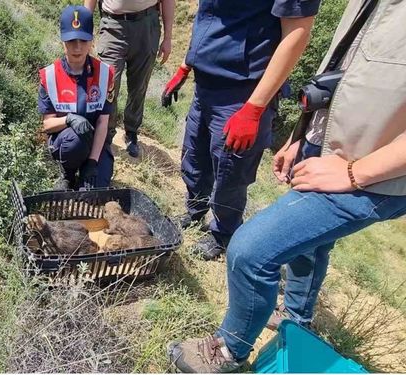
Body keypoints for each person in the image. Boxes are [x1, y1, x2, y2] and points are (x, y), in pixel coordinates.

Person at [167, 0, 406, 372]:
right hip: (327, 144)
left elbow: (297, 33)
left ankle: (229, 352)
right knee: (308, 241)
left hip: (372, 169)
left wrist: (355, 172)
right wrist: (303, 134)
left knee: (251, 250)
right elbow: (345, 72)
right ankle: (297, 316)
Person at [160, 0, 321, 261]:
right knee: (195, 155)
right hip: (206, 83)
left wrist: (254, 109)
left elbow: (297, 33)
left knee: (230, 171)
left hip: (242, 91)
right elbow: (208, 16)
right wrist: (186, 64)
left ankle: (223, 233)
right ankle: (195, 209)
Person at [38, 5, 116, 190]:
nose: (77, 47)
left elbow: (103, 122)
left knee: (94, 194)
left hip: (95, 143)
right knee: (75, 140)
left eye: (83, 40)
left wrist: (92, 162)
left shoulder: (105, 74)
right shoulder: (49, 76)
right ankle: (67, 174)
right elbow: (47, 125)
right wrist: (69, 119)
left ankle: (86, 172)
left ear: (92, 40)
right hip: (66, 141)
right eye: (71, 41)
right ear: (62, 41)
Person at [84, 0, 174, 158]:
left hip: (147, 25)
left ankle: (131, 132)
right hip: (113, 25)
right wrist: (84, 29)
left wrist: (168, 38)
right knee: (107, 84)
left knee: (139, 86)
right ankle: (105, 135)